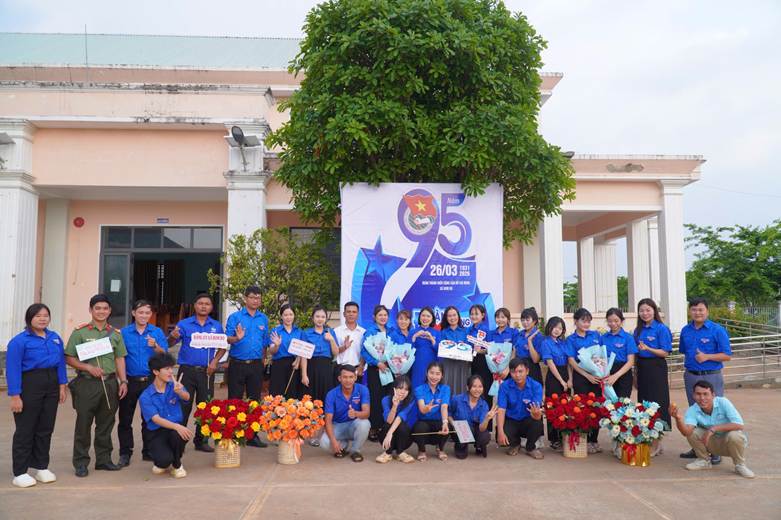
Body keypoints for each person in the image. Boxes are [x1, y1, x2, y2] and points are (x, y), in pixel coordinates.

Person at [64, 294, 128, 477]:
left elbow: (119, 358)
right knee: (83, 424)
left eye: (105, 308)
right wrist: (88, 367)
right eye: (97, 308)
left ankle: (103, 460)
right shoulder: (80, 332)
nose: (101, 311)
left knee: (106, 424)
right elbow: (69, 357)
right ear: (90, 310)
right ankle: (81, 462)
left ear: (110, 311)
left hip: (110, 383)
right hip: (87, 383)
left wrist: (123, 381)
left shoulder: (116, 334)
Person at [7, 304, 68, 488]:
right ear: (29, 318)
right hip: (30, 384)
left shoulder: (54, 338)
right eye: (38, 316)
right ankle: (20, 472)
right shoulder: (19, 341)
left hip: (51, 384)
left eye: (45, 315)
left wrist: (62, 386)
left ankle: (41, 467)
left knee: (45, 427)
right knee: (25, 429)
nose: (42, 319)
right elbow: (12, 369)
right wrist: (15, 395)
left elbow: (61, 363)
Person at [168, 293, 225, 453]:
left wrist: (215, 361)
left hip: (207, 372)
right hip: (187, 371)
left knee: (205, 407)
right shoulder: (184, 324)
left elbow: (222, 347)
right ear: (195, 305)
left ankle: (201, 440)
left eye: (207, 304)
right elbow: (170, 343)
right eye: (200, 303)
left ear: (211, 307)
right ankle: (179, 441)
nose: (203, 306)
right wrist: (172, 336)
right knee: (183, 406)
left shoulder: (216, 326)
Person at [678, 298, 732, 461]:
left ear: (707, 311)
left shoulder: (717, 330)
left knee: (714, 412)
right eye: (694, 309)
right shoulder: (685, 330)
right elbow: (683, 350)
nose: (697, 313)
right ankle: (697, 447)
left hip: (711, 376)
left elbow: (727, 355)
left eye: (701, 309)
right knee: (695, 412)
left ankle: (715, 450)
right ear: (690, 311)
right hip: (691, 376)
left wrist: (707, 356)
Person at [669, 380, 754, 478]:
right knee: (693, 432)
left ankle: (740, 465)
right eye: (698, 394)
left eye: (705, 394)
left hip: (730, 444)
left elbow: (739, 425)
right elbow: (687, 432)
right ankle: (704, 461)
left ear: (713, 395)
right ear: (693, 395)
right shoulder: (692, 410)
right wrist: (678, 419)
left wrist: (713, 429)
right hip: (711, 443)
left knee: (735, 435)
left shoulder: (723, 402)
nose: (702, 398)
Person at [118, 300, 168, 467]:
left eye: (147, 313)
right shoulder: (124, 333)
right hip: (130, 381)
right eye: (140, 312)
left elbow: (164, 354)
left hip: (150, 381)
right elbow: (119, 357)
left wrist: (156, 346)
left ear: (151, 315)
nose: (144, 316)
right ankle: (125, 452)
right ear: (133, 313)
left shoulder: (156, 332)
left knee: (150, 418)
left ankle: (148, 450)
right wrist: (122, 380)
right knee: (125, 419)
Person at [225, 286, 270, 448]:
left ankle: (252, 435)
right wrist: (237, 338)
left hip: (256, 365)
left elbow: (264, 342)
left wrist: (263, 360)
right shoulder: (235, 317)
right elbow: (227, 339)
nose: (255, 300)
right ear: (245, 299)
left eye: (258, 298)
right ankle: (234, 433)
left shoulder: (263, 318)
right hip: (237, 364)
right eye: (252, 297)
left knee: (254, 401)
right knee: (234, 400)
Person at [139, 352, 193, 478]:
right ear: (156, 372)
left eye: (171, 368)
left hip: (174, 429)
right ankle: (162, 461)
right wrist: (177, 426)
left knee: (179, 435)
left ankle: (177, 465)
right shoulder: (146, 396)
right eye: (167, 369)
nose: (171, 372)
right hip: (156, 432)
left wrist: (180, 392)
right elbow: (156, 419)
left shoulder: (174, 386)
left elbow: (187, 397)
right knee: (163, 461)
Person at [634, 298, 672, 457]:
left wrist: (648, 348)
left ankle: (656, 441)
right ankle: (650, 439)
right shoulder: (638, 330)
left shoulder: (661, 329)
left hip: (656, 368)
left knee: (658, 403)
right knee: (644, 404)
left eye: (648, 310)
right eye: (641, 310)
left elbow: (665, 352)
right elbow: (636, 353)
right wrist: (635, 374)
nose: (645, 313)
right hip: (642, 368)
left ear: (654, 311)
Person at [301, 305, 339, 447]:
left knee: (325, 400)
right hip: (311, 367)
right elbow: (304, 355)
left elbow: (336, 353)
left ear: (325, 319)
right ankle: (311, 434)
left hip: (326, 368)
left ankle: (323, 433)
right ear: (313, 318)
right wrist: (304, 374)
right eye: (317, 316)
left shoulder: (330, 332)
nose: (320, 319)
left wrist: (331, 340)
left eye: (323, 317)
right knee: (311, 401)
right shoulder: (306, 333)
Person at [566, 308, 603, 453]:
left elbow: (602, 353)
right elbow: (571, 360)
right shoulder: (571, 339)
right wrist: (586, 375)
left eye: (588, 321)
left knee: (596, 407)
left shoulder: (595, 335)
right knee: (582, 408)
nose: (586, 324)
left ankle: (594, 439)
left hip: (597, 375)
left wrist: (600, 370)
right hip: (581, 377)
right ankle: (584, 439)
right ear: (576, 321)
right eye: (583, 321)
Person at [320, 364, 371, 462]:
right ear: (339, 378)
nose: (348, 380)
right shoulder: (331, 394)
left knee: (365, 423)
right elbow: (328, 420)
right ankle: (343, 445)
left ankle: (355, 451)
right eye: (345, 377)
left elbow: (366, 413)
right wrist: (334, 442)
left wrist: (356, 414)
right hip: (337, 426)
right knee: (324, 443)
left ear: (355, 378)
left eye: (351, 377)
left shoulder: (363, 389)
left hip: (354, 425)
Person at [496, 358, 544, 459]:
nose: (517, 375)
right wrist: (500, 432)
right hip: (511, 420)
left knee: (538, 423)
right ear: (510, 372)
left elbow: (537, 414)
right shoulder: (504, 386)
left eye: (520, 371)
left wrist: (536, 414)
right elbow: (501, 410)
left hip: (528, 419)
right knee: (502, 429)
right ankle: (515, 444)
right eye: (513, 372)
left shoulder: (536, 386)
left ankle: (530, 448)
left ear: (527, 371)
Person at [361, 304, 394, 441]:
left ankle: (385, 427)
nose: (383, 317)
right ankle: (373, 427)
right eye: (380, 315)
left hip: (388, 369)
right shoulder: (370, 332)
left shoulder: (391, 331)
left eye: (385, 315)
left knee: (388, 397)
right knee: (375, 398)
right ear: (374, 317)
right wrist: (377, 362)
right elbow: (364, 352)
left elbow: (395, 348)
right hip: (375, 369)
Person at [540, 316, 570, 452]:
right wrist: (561, 381)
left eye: (560, 328)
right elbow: (550, 363)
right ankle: (554, 439)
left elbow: (569, 361)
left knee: (565, 406)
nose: (557, 330)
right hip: (554, 376)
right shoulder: (546, 343)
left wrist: (569, 379)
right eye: (555, 327)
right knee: (552, 407)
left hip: (565, 374)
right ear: (549, 327)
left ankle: (564, 435)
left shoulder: (563, 342)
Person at [448, 375, 496, 459]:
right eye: (474, 386)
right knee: (462, 456)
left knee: (485, 436)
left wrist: (487, 418)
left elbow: (481, 428)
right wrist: (454, 424)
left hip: (475, 429)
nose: (477, 389)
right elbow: (449, 413)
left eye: (480, 386)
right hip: (459, 430)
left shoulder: (484, 404)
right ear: (468, 387)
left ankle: (479, 445)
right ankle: (461, 446)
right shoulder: (457, 399)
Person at [412, 361, 451, 461]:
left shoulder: (446, 389)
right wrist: (427, 408)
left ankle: (440, 448)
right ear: (427, 373)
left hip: (438, 420)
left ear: (442, 375)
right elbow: (422, 409)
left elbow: (444, 407)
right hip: (424, 421)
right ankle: (422, 450)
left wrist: (445, 422)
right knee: (419, 428)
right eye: (432, 373)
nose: (434, 377)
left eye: (438, 374)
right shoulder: (419, 389)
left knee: (447, 426)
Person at [376, 375, 418, 463]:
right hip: (386, 439)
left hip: (404, 439)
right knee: (387, 425)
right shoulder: (386, 399)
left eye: (406, 389)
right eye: (400, 388)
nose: (403, 392)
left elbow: (400, 417)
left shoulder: (410, 401)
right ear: (394, 388)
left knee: (402, 425)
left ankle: (400, 452)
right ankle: (388, 453)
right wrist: (394, 406)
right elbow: (388, 421)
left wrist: (390, 433)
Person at [600, 308, 637, 399]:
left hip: (623, 373)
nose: (613, 323)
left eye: (616, 321)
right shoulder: (603, 338)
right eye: (610, 321)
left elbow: (631, 361)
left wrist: (615, 376)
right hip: (606, 374)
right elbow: (599, 357)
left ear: (622, 321)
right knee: (607, 403)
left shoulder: (628, 338)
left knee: (622, 403)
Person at [268, 304, 303, 398]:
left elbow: (303, 351)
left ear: (294, 316)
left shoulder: (299, 331)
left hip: (294, 365)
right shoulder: (276, 331)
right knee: (277, 394)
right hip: (279, 365)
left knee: (292, 393)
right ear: (281, 316)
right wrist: (277, 345)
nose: (288, 317)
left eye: (291, 314)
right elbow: (272, 351)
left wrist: (298, 361)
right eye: (285, 315)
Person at [439, 306, 471, 397]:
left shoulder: (465, 331)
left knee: (461, 386)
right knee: (447, 385)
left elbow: (469, 348)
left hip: (462, 364)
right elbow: (441, 348)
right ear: (446, 318)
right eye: (449, 316)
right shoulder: (443, 332)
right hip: (448, 363)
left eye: (454, 315)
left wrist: (464, 346)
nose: (452, 318)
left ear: (458, 316)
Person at [333, 301, 366, 384]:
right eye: (348, 312)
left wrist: (361, 366)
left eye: (354, 312)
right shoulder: (336, 331)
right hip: (340, 369)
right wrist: (344, 347)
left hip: (357, 369)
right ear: (344, 314)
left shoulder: (363, 332)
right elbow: (333, 352)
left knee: (357, 392)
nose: (351, 314)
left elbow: (365, 352)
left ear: (358, 314)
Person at [409, 307, 439, 389]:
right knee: (417, 387)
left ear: (432, 318)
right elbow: (407, 351)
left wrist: (432, 339)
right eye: (423, 315)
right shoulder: (412, 332)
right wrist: (415, 336)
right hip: (417, 365)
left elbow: (440, 351)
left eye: (428, 316)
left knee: (431, 388)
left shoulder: (437, 333)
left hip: (432, 366)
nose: (425, 318)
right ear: (419, 317)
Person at [467, 304, 492, 397]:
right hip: (470, 361)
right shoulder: (468, 330)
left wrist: (481, 351)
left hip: (483, 361)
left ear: (483, 315)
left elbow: (491, 349)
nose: (473, 316)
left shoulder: (486, 330)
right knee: (473, 387)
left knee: (484, 387)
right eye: (472, 314)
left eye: (476, 314)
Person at [517, 307, 544, 384]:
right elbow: (515, 351)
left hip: (532, 369)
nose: (525, 322)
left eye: (527, 320)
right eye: (523, 320)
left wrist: (529, 341)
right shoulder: (520, 334)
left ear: (534, 321)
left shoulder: (538, 336)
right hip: (518, 367)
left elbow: (536, 359)